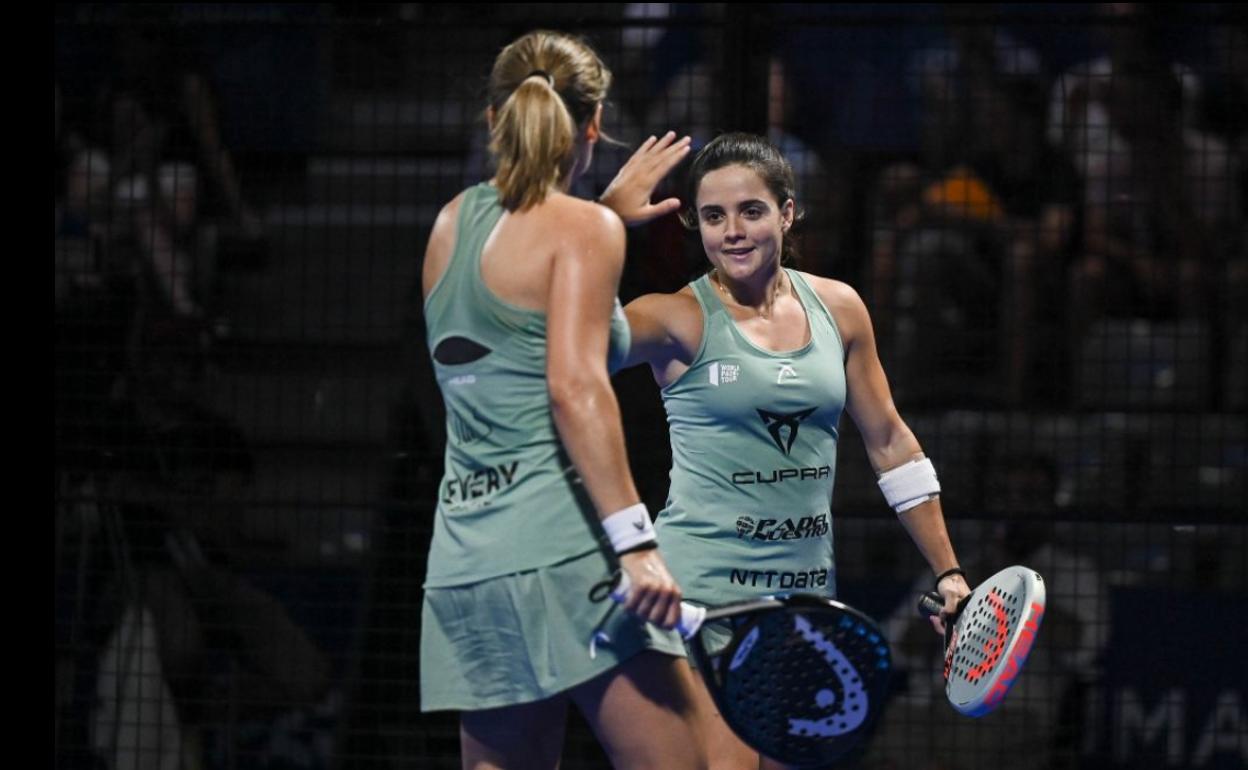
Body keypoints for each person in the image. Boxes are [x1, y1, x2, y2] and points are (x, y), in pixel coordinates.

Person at [609, 133, 972, 769]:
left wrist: (946, 571)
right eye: (714, 216)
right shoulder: (671, 318)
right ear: (694, 224)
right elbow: (561, 344)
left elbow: (889, 442)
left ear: (787, 211)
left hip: (802, 611)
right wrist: (603, 222)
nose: (733, 232)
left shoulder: (841, 309)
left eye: (751, 210)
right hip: (697, 608)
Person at [417, 30, 705, 769]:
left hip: (467, 560)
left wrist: (603, 216)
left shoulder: (449, 225)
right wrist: (637, 544)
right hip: (566, 554)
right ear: (596, 123)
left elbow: (512, 343)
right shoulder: (584, 232)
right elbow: (571, 384)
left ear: (494, 119)